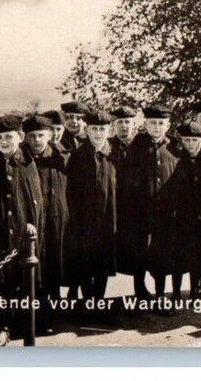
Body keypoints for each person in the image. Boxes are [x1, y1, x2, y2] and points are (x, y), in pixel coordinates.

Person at [0, 114, 43, 346]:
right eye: (0, 137)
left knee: (21, 279)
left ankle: (9, 323)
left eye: (9, 137)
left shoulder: (27, 162)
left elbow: (33, 198)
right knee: (4, 282)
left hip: (23, 232)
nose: (4, 141)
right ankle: (5, 322)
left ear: (20, 137)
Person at [118, 103, 179, 304]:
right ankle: (140, 293)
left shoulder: (173, 148)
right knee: (139, 254)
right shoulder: (136, 148)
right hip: (140, 213)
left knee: (162, 256)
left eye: (161, 123)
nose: (156, 127)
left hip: (165, 213)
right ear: (145, 124)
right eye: (152, 123)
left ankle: (161, 294)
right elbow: (128, 183)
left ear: (167, 125)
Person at [156, 122, 201, 306]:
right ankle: (175, 292)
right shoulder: (175, 158)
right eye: (187, 140)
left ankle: (195, 290)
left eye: (194, 140)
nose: (190, 144)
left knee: (198, 256)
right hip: (180, 216)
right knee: (178, 256)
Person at [65, 111, 118, 308]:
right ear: (87, 130)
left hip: (108, 218)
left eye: (102, 129)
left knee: (103, 262)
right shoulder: (77, 157)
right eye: (94, 129)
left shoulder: (115, 155)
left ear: (108, 130)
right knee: (85, 261)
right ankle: (88, 302)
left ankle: (99, 301)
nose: (98, 133)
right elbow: (70, 190)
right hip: (84, 220)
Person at [24, 114, 69, 333]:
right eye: (32, 136)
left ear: (50, 135)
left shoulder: (61, 158)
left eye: (41, 135)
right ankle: (32, 317)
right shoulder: (23, 160)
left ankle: (47, 315)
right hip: (32, 224)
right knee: (33, 270)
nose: (37, 140)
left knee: (52, 266)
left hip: (56, 221)